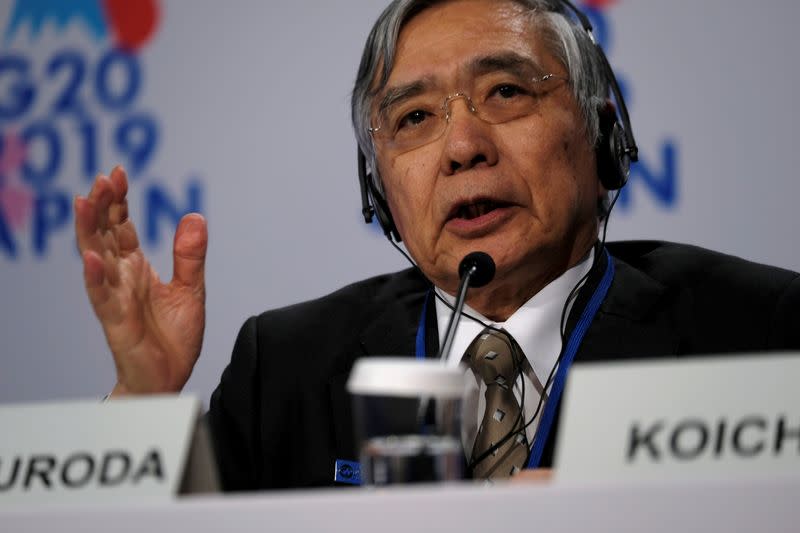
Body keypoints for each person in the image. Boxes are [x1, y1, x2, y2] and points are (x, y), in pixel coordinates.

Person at [73, 0, 800, 490]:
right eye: (415, 116)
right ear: (378, 187)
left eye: (508, 93)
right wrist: (142, 396)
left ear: (602, 133)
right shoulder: (289, 365)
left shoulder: (756, 330)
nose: (461, 146)